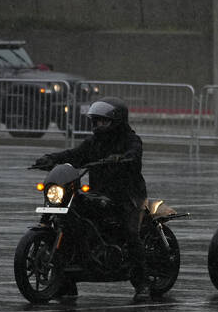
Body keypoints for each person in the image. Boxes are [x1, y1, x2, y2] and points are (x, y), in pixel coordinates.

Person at [33, 98, 149, 299]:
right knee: (72, 222)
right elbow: (75, 154)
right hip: (99, 193)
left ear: (117, 121)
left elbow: (134, 154)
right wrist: (52, 158)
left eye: (103, 121)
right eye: (96, 121)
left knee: (129, 232)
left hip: (127, 194)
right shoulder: (94, 142)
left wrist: (123, 157)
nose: (98, 125)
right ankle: (66, 282)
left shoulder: (131, 140)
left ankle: (142, 283)